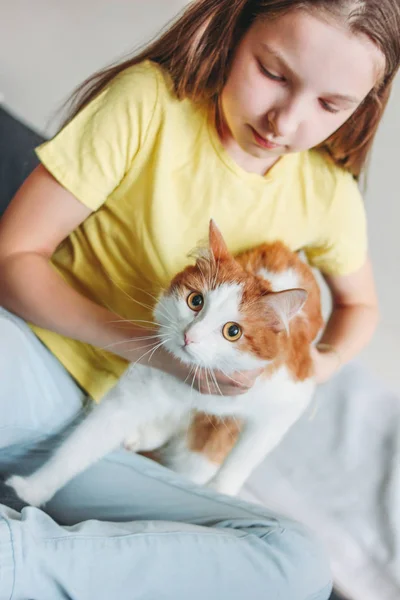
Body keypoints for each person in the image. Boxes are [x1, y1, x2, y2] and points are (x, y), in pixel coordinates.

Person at [0, 0, 399, 597]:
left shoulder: (327, 194)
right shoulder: (149, 104)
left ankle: (15, 562)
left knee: (294, 562)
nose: (285, 122)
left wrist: (320, 364)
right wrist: (158, 355)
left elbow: (362, 307)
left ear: (360, 107)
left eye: (328, 105)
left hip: (123, 448)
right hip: (36, 364)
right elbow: (12, 260)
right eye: (274, 73)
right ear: (235, 30)